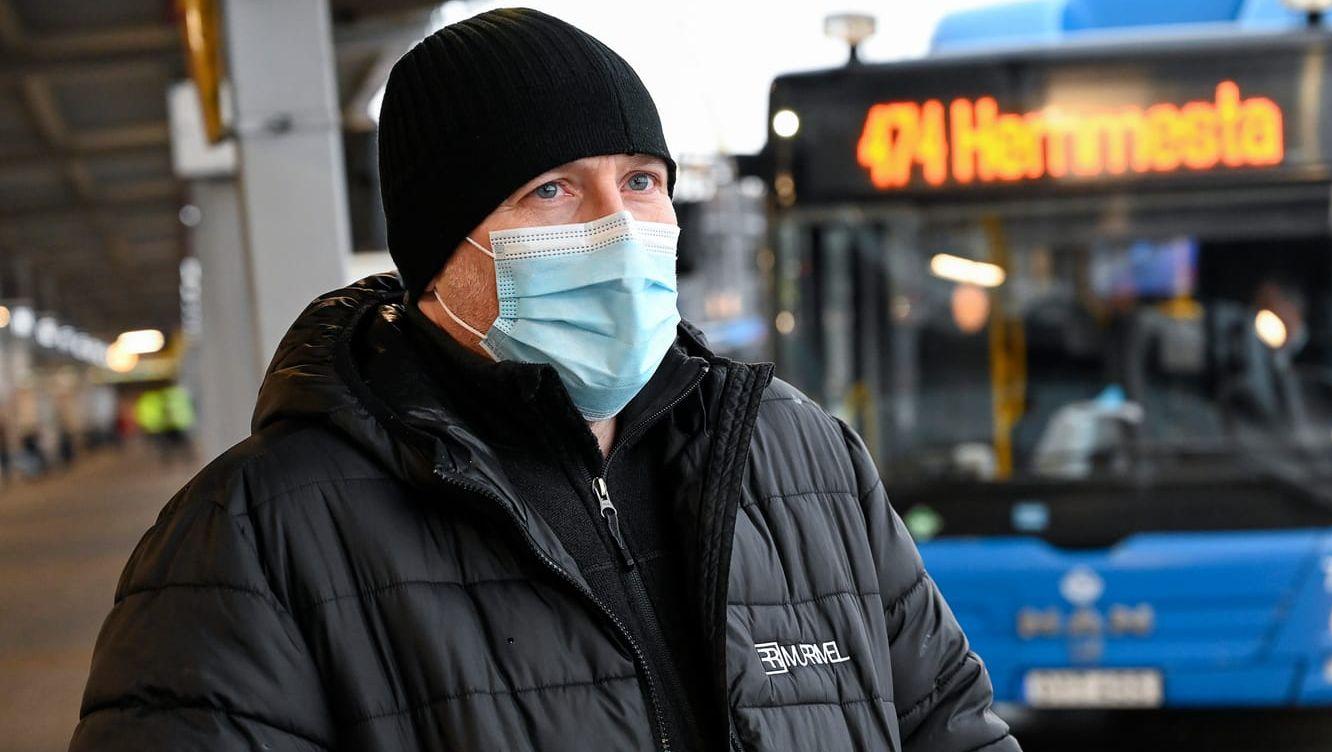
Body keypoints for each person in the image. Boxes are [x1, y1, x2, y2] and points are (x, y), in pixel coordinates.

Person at [69, 9, 1017, 752]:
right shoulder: (255, 537)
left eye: (641, 180)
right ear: (443, 250)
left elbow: (949, 727)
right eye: (552, 190)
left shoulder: (799, 455)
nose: (619, 225)